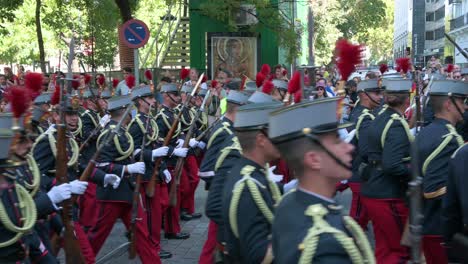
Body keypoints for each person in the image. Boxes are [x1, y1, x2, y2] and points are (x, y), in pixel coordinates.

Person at [269, 98, 374, 263]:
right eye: (337, 142)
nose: (350, 147)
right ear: (314, 159)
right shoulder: (327, 239)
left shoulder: (289, 202)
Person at [87, 95, 162, 263]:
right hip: (111, 196)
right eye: (130, 111)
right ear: (124, 112)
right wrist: (127, 168)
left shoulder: (121, 131)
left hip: (127, 192)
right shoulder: (110, 132)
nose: (132, 115)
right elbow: (99, 165)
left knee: (142, 235)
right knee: (96, 238)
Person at [222, 101, 283, 263]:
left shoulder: (255, 173)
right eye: (276, 132)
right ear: (261, 139)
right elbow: (259, 256)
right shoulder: (248, 187)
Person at [415, 80, 468, 264]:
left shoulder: (426, 132)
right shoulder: (450, 139)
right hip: (440, 227)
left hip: (427, 222)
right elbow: (434, 189)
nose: (465, 106)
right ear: (448, 104)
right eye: (462, 102)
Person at [360, 79, 413, 263]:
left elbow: (366, 152)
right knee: (400, 250)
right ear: (407, 100)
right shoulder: (396, 124)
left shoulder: (380, 116)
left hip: (373, 189)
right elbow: (393, 165)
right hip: (387, 194)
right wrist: (413, 173)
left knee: (384, 249)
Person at [199, 87, 249, 264]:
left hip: (226, 196)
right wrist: (224, 184)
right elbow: (205, 169)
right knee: (212, 247)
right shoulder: (223, 131)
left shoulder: (231, 128)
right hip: (221, 198)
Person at [128, 85, 172, 259]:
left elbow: (157, 144)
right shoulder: (136, 123)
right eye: (150, 98)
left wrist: (162, 167)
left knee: (159, 209)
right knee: (150, 214)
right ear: (141, 101)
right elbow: (133, 150)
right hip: (144, 174)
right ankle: (152, 247)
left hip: (154, 170)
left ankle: (153, 244)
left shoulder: (149, 120)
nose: (154, 100)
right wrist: (152, 154)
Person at [345, 79, 384, 231]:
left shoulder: (362, 112)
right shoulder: (364, 117)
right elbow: (368, 151)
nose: (380, 97)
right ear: (364, 95)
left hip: (361, 175)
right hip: (360, 175)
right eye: (376, 93)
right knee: (355, 224)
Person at [154, 83, 190, 240]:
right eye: (175, 95)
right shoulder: (161, 117)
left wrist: (182, 140)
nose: (177, 98)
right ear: (167, 96)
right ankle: (168, 229)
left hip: (175, 160)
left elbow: (179, 132)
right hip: (167, 162)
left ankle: (171, 228)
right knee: (167, 200)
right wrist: (174, 150)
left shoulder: (172, 114)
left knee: (177, 195)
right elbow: (159, 143)